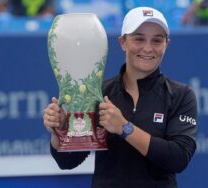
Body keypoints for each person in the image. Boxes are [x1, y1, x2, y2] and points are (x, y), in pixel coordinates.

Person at [43, 6, 198, 188]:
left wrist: (125, 128)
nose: (148, 48)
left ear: (166, 44)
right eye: (139, 39)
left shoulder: (181, 95)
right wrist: (59, 132)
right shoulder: (99, 93)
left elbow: (178, 158)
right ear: (122, 42)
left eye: (157, 41)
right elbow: (68, 162)